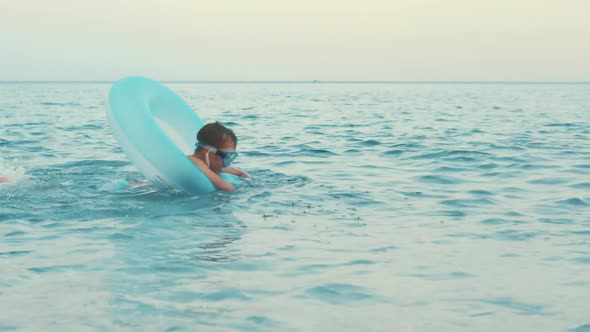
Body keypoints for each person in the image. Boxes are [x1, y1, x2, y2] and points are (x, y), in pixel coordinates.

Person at [188, 122, 248, 192]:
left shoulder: (210, 165)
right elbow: (225, 187)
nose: (225, 162)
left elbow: (230, 170)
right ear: (207, 151)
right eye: (225, 156)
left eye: (230, 157)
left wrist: (242, 174)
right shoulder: (195, 162)